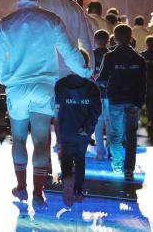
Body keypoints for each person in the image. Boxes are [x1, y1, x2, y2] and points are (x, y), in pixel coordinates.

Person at [0, 0, 90, 209]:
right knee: (41, 141)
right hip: (44, 87)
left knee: (19, 139)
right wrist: (85, 74)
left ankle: (21, 188)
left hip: (17, 88)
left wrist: (6, 80)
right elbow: (70, 52)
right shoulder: (51, 20)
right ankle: (38, 193)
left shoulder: (6, 23)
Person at [97, 24, 146, 181]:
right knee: (131, 136)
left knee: (116, 134)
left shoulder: (110, 57)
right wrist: (139, 103)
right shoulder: (139, 59)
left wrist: (101, 82)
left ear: (115, 38)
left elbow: (102, 79)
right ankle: (129, 170)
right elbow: (143, 84)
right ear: (131, 38)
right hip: (133, 101)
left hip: (116, 100)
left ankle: (117, 164)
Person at [56, 49, 101, 205]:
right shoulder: (92, 87)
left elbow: (55, 108)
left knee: (66, 157)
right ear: (86, 64)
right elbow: (97, 110)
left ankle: (67, 178)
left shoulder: (60, 85)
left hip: (65, 128)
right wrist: (87, 128)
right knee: (80, 159)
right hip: (83, 131)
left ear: (69, 63)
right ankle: (78, 190)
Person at [38, 0, 95, 75]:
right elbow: (86, 41)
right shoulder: (74, 6)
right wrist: (89, 70)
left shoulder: (37, 6)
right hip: (71, 71)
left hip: (44, 71)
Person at [93, 29, 111, 160]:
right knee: (110, 123)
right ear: (108, 41)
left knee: (98, 123)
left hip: (97, 94)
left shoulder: (92, 56)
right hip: (110, 94)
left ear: (95, 41)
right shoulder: (112, 55)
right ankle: (110, 150)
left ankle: (99, 152)